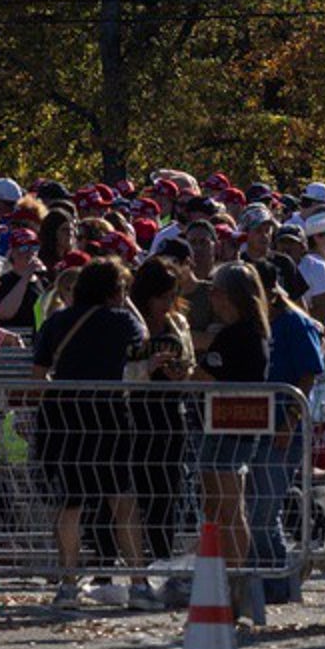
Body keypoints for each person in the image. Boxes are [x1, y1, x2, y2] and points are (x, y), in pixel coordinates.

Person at [32, 258, 158, 611]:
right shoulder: (121, 321)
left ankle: (69, 584)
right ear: (115, 290)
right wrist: (128, 303)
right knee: (122, 500)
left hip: (64, 418)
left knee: (71, 502)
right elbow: (145, 339)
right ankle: (138, 583)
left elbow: (37, 373)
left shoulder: (57, 320)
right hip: (110, 416)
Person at [124, 258, 198, 606]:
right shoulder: (131, 324)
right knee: (135, 489)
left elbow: (190, 362)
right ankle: (133, 564)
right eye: (162, 297)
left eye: (173, 295)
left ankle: (163, 557)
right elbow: (122, 366)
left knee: (167, 488)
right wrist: (146, 366)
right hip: (135, 412)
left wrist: (180, 372)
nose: (168, 304)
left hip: (171, 412)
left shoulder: (178, 322)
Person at [252, 272, 325, 606]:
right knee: (259, 509)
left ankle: (280, 584)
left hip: (285, 427)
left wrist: (290, 420)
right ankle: (267, 583)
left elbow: (308, 374)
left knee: (266, 510)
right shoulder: (259, 321)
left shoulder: (296, 323)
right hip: (256, 424)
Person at [195, 262, 272, 578]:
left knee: (230, 505)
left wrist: (183, 369)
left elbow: (204, 377)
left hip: (232, 423)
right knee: (216, 505)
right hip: (228, 422)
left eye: (214, 292)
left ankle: (236, 576)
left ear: (228, 296)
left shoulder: (239, 334)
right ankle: (216, 571)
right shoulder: (250, 331)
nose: (211, 299)